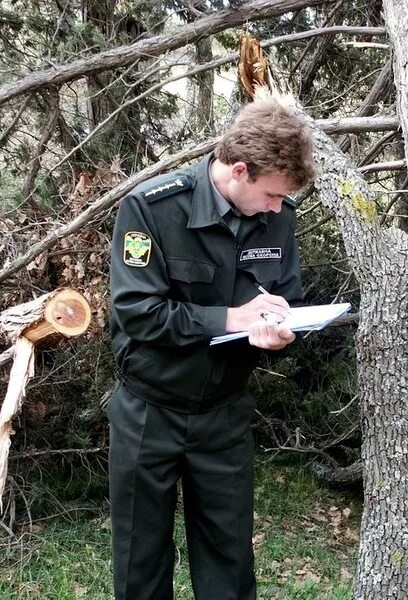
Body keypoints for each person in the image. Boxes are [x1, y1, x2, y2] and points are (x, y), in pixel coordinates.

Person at [106, 98, 316, 600]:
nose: (274, 206)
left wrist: (282, 333)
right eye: (268, 194)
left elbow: (290, 302)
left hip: (224, 415)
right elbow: (137, 311)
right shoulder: (152, 207)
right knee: (141, 560)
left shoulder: (279, 219)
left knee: (229, 561)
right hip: (148, 413)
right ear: (239, 170)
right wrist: (230, 319)